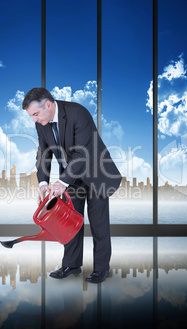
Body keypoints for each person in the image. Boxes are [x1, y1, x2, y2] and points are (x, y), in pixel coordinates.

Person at [22, 88, 121, 284]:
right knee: (69, 222)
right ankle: (72, 264)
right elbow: (44, 152)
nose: (34, 119)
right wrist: (43, 182)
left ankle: (102, 269)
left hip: (96, 174)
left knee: (98, 224)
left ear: (48, 105)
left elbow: (82, 153)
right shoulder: (42, 123)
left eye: (35, 114)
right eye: (31, 116)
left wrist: (61, 182)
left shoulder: (78, 113)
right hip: (71, 177)